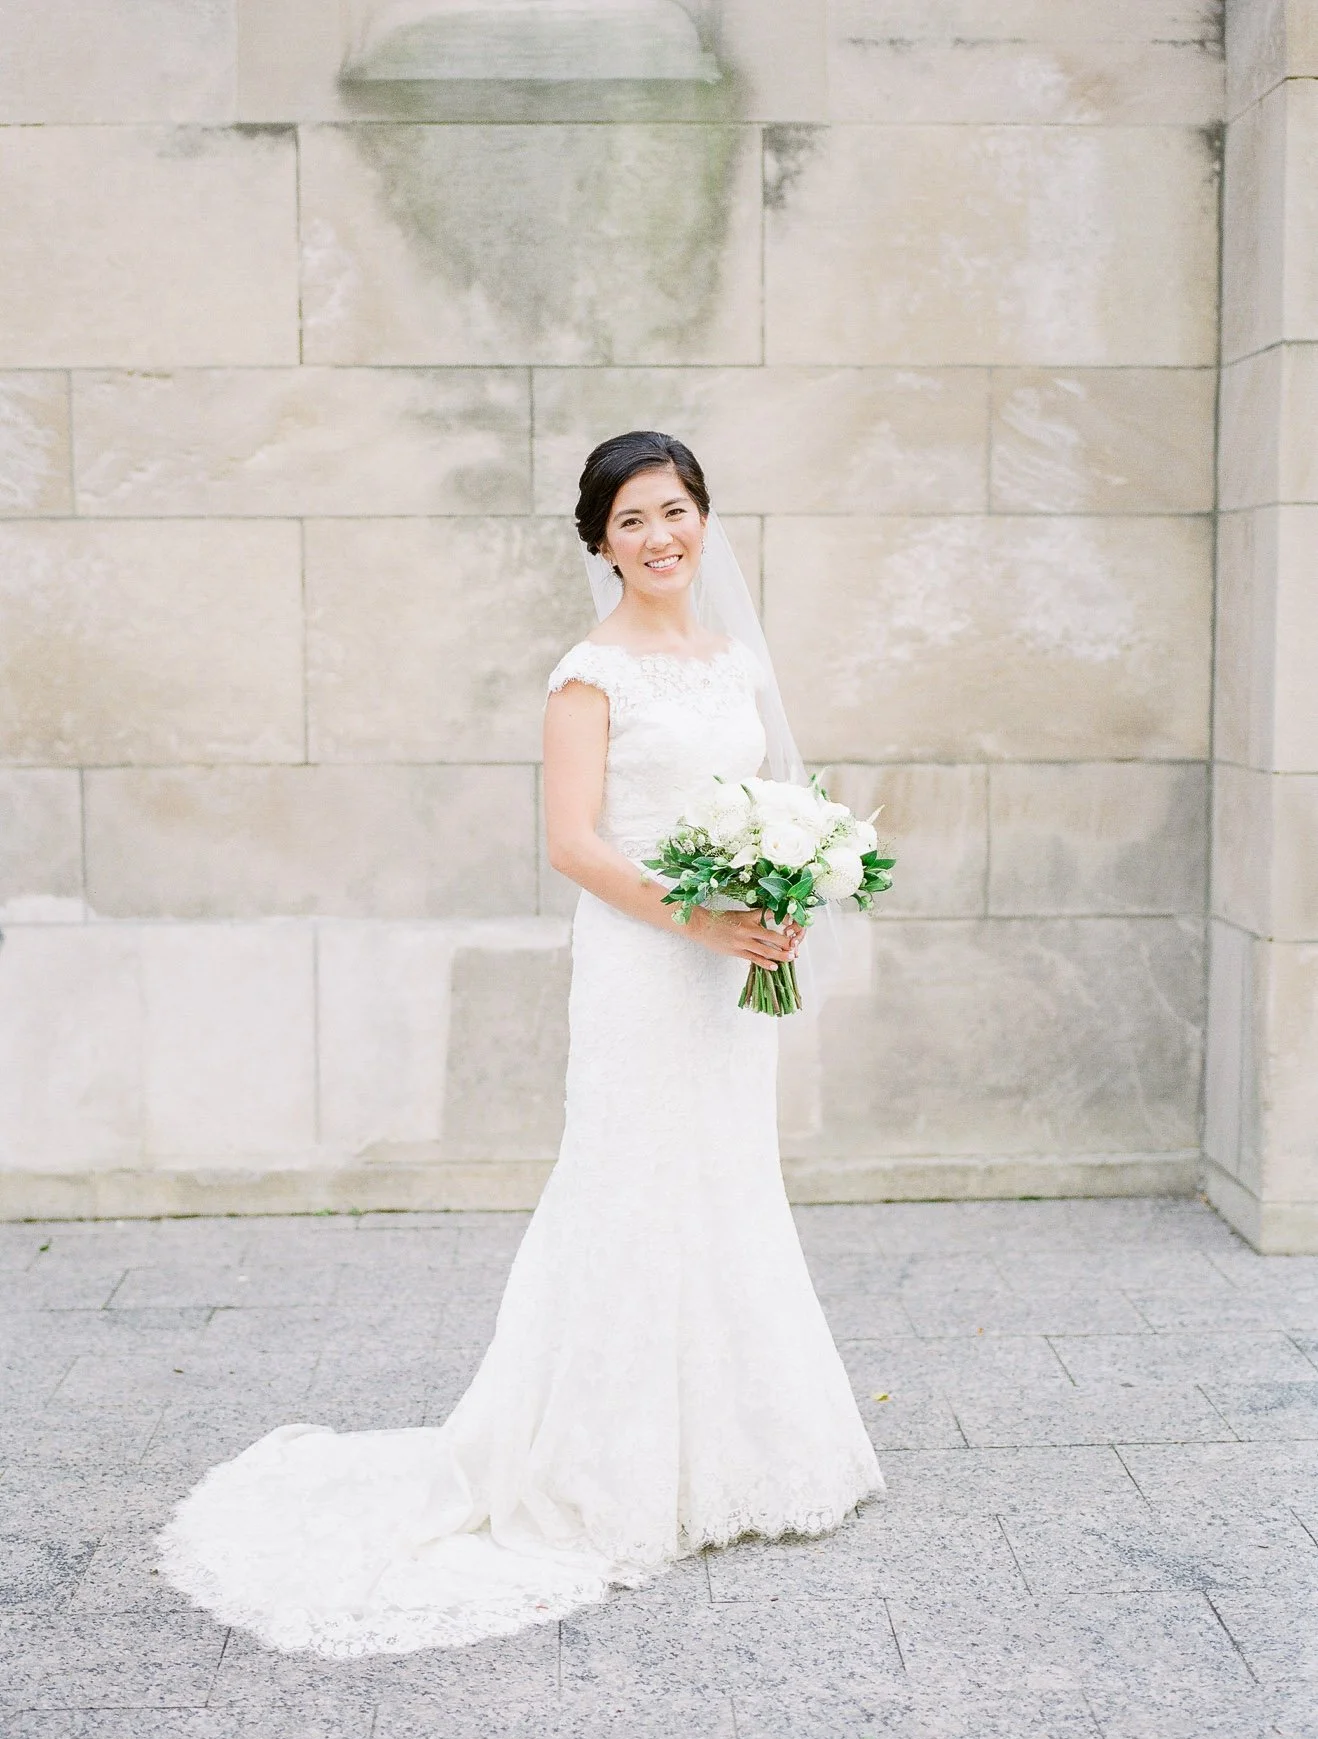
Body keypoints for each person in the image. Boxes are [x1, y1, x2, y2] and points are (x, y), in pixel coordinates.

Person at [157, 432, 882, 1657]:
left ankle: (738, 1451)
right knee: (628, 1187)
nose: (660, 538)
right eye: (631, 521)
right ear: (599, 544)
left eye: (675, 511)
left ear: (705, 518)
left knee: (723, 1184)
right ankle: (606, 1471)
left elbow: (778, 806)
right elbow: (577, 845)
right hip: (645, 967)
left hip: (725, 977)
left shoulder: (734, 664)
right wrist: (700, 917)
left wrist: (783, 894)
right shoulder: (587, 675)